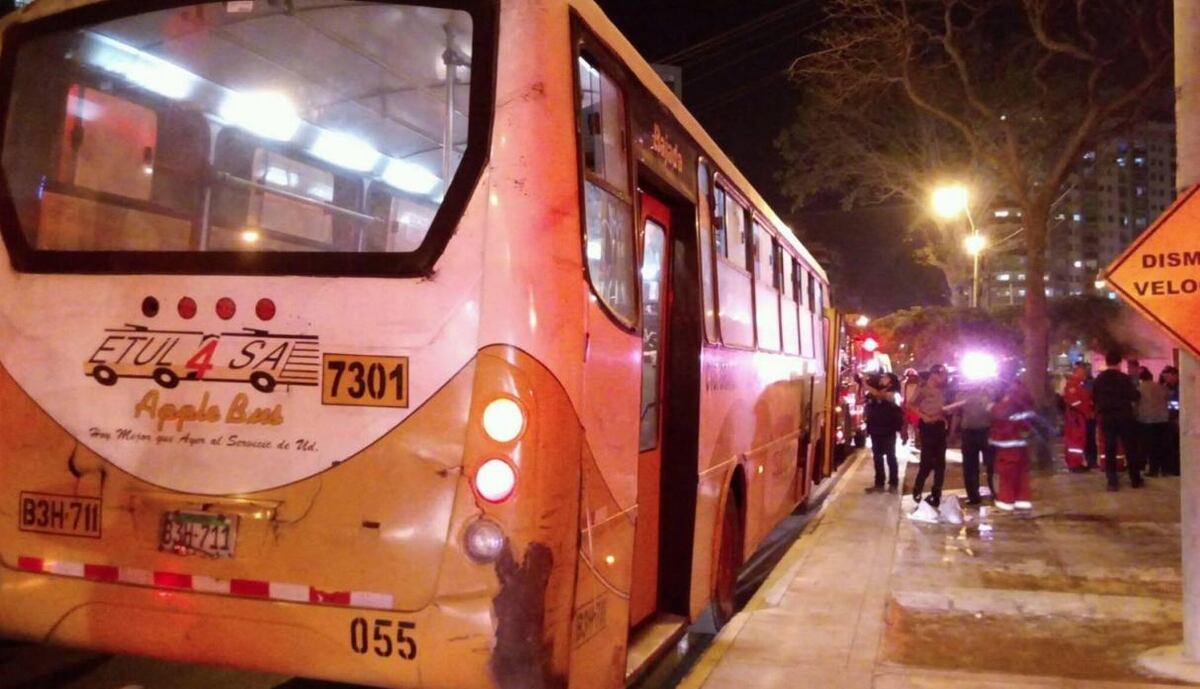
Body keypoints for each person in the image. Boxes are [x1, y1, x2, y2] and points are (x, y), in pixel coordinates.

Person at [1092, 350, 1143, 491]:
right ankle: (1135, 479)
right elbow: (1134, 396)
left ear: (1107, 362)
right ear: (1119, 363)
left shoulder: (1100, 379)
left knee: (1109, 448)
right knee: (1130, 448)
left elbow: (1094, 397)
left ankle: (1112, 482)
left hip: (1107, 416)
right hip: (1124, 416)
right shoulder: (1124, 378)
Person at [989, 378, 1036, 510]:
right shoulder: (1025, 398)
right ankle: (1022, 499)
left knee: (1007, 474)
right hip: (1020, 442)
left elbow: (1000, 414)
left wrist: (991, 406)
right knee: (1021, 473)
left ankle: (1006, 501)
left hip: (1008, 442)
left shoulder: (1012, 398)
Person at [908, 364, 949, 509]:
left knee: (940, 464)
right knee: (926, 462)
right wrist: (923, 416)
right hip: (927, 426)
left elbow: (946, 407)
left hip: (939, 426)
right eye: (942, 375)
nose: (944, 378)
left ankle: (936, 494)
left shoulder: (944, 389)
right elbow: (911, 404)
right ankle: (918, 489)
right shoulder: (923, 388)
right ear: (934, 375)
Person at [955, 380, 996, 504]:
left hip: (986, 431)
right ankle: (973, 496)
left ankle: (996, 491)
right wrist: (952, 432)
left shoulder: (989, 392)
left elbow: (995, 410)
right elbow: (957, 413)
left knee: (992, 464)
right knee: (970, 466)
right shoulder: (961, 395)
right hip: (968, 433)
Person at [863, 372, 903, 492]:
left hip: (888, 430)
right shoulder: (874, 393)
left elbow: (882, 396)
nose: (882, 378)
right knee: (877, 457)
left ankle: (893, 483)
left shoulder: (894, 393)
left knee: (891, 456)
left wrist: (866, 385)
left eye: (885, 377)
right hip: (875, 429)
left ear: (891, 382)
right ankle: (879, 483)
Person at [1137, 367, 1171, 477]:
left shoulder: (1139, 388)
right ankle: (1165, 469)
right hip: (1163, 419)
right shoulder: (1161, 387)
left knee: (1151, 447)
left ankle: (1153, 470)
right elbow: (1168, 397)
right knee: (1163, 445)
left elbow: (1136, 404)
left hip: (1147, 420)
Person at [1062, 362, 1095, 473]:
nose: (1084, 374)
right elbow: (1075, 402)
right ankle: (1074, 463)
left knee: (1078, 440)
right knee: (1075, 440)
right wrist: (1086, 410)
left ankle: (1076, 462)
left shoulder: (1077, 384)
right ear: (1077, 372)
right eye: (1082, 371)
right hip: (1076, 416)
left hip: (1078, 416)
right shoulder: (1073, 385)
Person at [1162, 366, 1181, 476]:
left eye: (1167, 377)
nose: (1166, 379)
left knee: (1177, 445)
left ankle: (1177, 468)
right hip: (1168, 418)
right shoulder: (1166, 387)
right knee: (1170, 445)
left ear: (1175, 375)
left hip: (1178, 418)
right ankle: (1172, 467)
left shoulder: (1181, 387)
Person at [901, 368, 921, 446]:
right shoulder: (904, 384)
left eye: (913, 376)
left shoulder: (919, 384)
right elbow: (903, 395)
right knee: (904, 424)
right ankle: (904, 437)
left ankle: (918, 440)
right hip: (906, 406)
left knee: (916, 424)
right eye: (909, 376)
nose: (911, 378)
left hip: (915, 406)